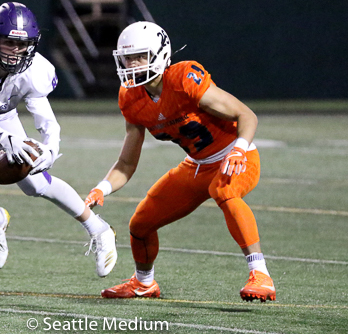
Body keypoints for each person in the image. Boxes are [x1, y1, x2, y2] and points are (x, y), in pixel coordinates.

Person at [85, 21, 276, 302]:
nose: (133, 64)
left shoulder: (184, 78)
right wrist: (101, 188)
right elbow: (126, 163)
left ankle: (261, 275)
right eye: (128, 58)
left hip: (235, 155)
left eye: (140, 56)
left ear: (160, 54)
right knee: (141, 223)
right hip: (196, 165)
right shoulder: (130, 97)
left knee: (224, 191)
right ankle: (144, 283)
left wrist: (238, 149)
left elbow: (246, 115)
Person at [0, 2, 117, 277]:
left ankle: (99, 229)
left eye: (23, 44)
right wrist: (2, 138)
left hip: (0, 112)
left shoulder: (36, 69)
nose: (16, 51)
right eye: (9, 42)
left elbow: (47, 120)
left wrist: (51, 149)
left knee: (35, 183)